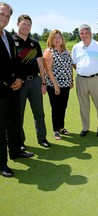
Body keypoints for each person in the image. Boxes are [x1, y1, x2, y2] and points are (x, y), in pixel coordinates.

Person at [0, 2, 34, 178]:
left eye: (7, 16)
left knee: (13, 123)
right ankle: (2, 164)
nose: (4, 18)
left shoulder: (7, 36)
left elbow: (17, 61)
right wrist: (10, 81)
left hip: (14, 89)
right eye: (2, 14)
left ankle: (16, 151)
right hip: (1, 91)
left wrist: (19, 79)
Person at [13, 14, 50, 149]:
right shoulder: (11, 41)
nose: (26, 27)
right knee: (18, 114)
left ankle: (42, 138)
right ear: (18, 24)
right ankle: (20, 142)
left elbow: (41, 64)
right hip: (18, 84)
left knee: (39, 113)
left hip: (35, 81)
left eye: (29, 25)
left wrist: (43, 83)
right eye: (24, 24)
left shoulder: (34, 43)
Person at [71, 24, 98, 137]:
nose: (84, 35)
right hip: (81, 80)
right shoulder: (76, 47)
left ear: (91, 33)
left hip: (96, 79)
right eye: (82, 33)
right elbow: (74, 62)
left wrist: (97, 74)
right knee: (83, 105)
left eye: (86, 33)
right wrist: (83, 71)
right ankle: (85, 128)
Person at [43, 29, 73, 140]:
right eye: (54, 37)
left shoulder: (66, 51)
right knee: (56, 107)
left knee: (63, 107)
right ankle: (56, 130)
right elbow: (48, 69)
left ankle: (61, 127)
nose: (57, 40)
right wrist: (55, 84)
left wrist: (71, 81)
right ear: (51, 39)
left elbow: (70, 67)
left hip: (66, 84)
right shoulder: (49, 51)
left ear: (62, 39)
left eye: (59, 37)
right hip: (54, 84)